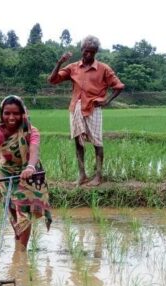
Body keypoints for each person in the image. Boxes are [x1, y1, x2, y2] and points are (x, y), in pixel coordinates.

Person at [48, 35, 125, 186]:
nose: (88, 54)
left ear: (96, 52)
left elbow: (119, 86)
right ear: (81, 50)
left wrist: (107, 101)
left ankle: (98, 176)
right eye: (86, 51)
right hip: (76, 108)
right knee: (78, 141)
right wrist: (60, 62)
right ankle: (82, 174)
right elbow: (53, 80)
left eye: (92, 52)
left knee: (97, 142)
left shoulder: (103, 69)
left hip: (93, 108)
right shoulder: (72, 68)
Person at [0, 96, 52, 249]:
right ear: (1, 114)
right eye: (7, 113)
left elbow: (34, 151)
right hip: (6, 173)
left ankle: (21, 251)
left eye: (16, 113)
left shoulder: (31, 131)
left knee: (24, 210)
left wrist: (30, 168)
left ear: (23, 114)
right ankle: (18, 237)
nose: (11, 117)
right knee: (11, 207)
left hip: (28, 174)